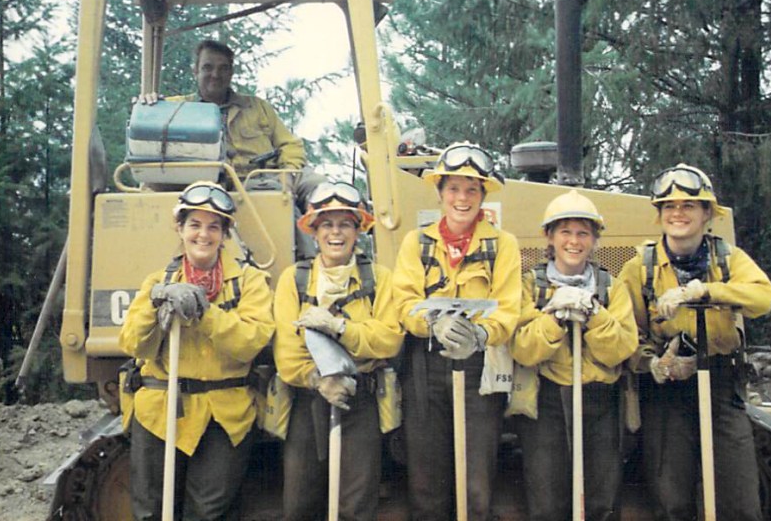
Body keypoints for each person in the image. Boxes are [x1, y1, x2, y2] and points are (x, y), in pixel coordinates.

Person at [617, 163, 771, 521]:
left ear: (707, 213)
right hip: (667, 389)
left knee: (739, 498)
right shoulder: (640, 267)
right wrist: (653, 364)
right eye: (669, 206)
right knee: (672, 499)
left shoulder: (727, 259)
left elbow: (762, 297)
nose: (678, 213)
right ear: (659, 215)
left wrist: (706, 291)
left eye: (689, 205)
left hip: (721, 383)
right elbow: (628, 333)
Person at [118, 181, 275, 520]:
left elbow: (251, 341)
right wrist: (157, 302)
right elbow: (134, 344)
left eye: (213, 227)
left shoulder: (248, 282)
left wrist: (204, 313)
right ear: (180, 227)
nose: (203, 235)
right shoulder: (156, 280)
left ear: (225, 234)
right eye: (195, 225)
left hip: (224, 413)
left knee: (207, 513)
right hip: (161, 409)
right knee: (151, 511)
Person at [393, 142, 522, 521]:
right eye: (453, 188)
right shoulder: (416, 243)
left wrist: (481, 336)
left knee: (476, 483)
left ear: (483, 195)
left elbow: (509, 307)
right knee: (426, 483)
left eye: (471, 189)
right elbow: (404, 303)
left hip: (478, 370)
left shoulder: (503, 245)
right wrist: (433, 322)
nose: (461, 198)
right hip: (425, 368)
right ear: (439, 192)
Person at [272, 181, 404, 521]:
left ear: (358, 230)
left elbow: (389, 338)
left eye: (345, 223)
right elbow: (287, 353)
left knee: (356, 506)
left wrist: (341, 328)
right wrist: (318, 379)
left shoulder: (379, 279)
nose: (336, 232)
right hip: (309, 400)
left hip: (361, 399)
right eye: (327, 224)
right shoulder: (294, 280)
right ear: (313, 231)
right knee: (300, 505)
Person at [511, 189, 638, 521]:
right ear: (549, 237)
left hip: (600, 401)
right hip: (547, 401)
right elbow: (523, 349)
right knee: (547, 503)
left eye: (583, 233)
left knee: (601, 503)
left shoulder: (612, 287)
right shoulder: (530, 285)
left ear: (594, 240)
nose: (574, 241)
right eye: (565, 231)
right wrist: (554, 319)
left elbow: (622, 349)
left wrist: (594, 313)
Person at [142, 39, 324, 212]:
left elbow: (290, 144)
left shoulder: (258, 108)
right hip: (203, 184)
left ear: (231, 73)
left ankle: (327, 240)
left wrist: (289, 174)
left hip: (263, 178)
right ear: (195, 71)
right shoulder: (175, 109)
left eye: (223, 68)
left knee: (320, 188)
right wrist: (148, 106)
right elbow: (147, 135)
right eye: (208, 67)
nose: (215, 74)